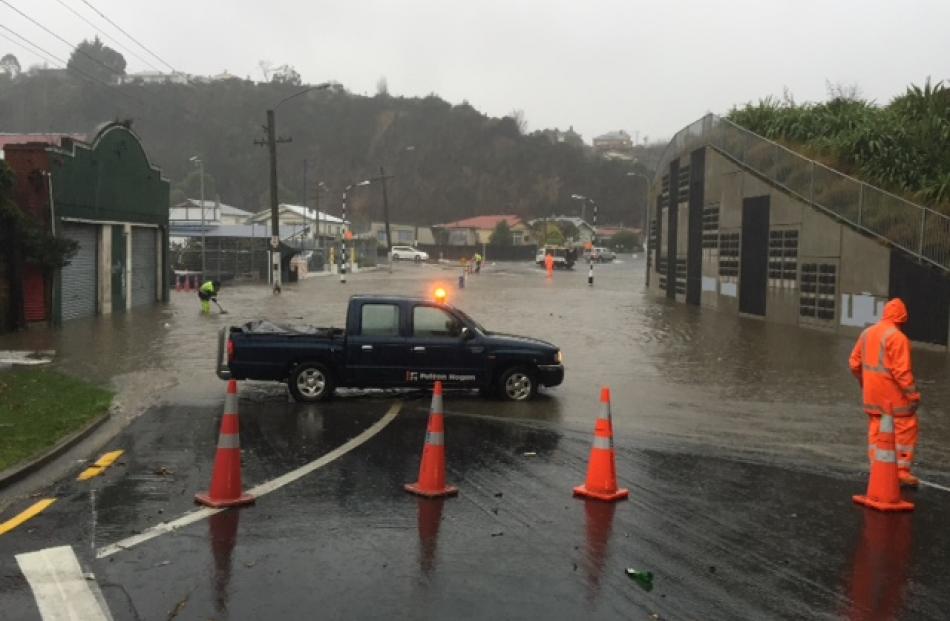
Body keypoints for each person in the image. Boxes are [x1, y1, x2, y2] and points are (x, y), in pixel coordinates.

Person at [848, 298, 921, 486]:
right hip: (894, 398)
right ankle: (901, 471)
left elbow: (854, 363)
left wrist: (865, 382)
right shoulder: (898, 338)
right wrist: (913, 396)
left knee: (876, 429)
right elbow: (902, 372)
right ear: (903, 317)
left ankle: (879, 467)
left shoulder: (867, 333)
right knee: (905, 427)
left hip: (872, 396)